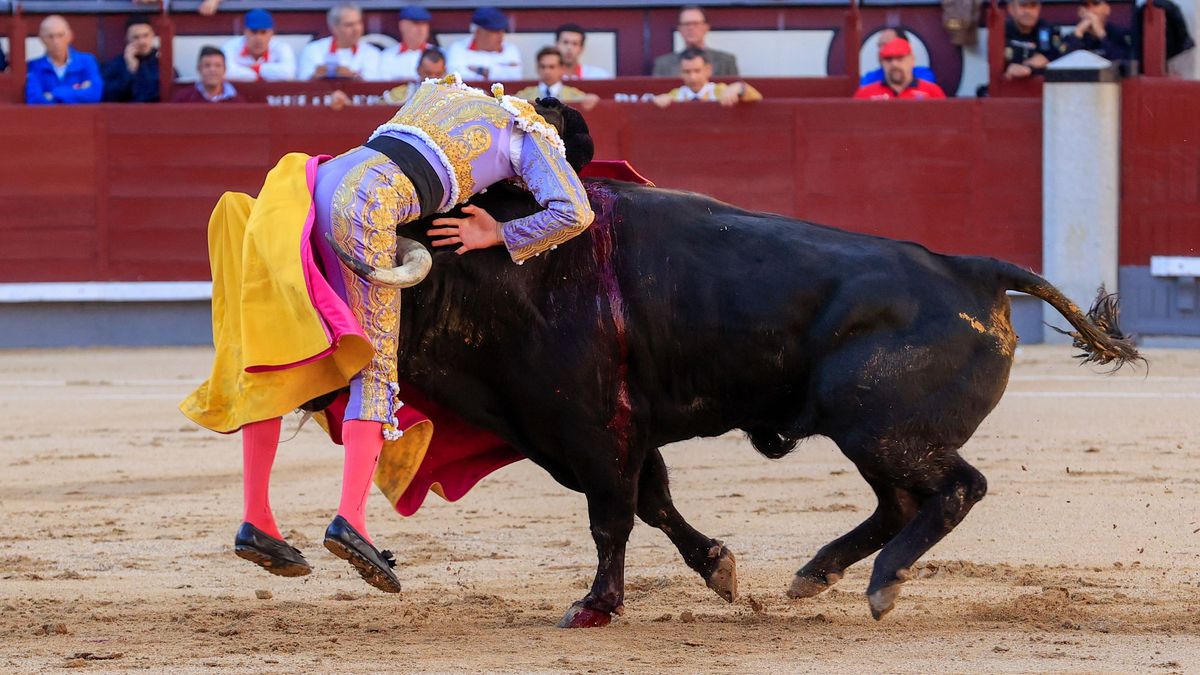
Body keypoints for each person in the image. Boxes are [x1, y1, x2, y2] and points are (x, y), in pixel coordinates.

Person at [180, 74, 594, 593]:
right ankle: (351, 519)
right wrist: (498, 231)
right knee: (376, 370)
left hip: (314, 189)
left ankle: (257, 519)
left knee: (278, 349)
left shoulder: (448, 90)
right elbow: (573, 211)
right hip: (367, 207)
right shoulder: (533, 134)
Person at [25, 15, 102, 105]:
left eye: (60, 35)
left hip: (81, 118)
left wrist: (53, 94)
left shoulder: (87, 61)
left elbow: (94, 94)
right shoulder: (34, 66)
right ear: (41, 39)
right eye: (50, 36)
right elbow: (35, 100)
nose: (56, 42)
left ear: (70, 36)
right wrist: (75, 90)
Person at [297, 2, 382, 81]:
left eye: (359, 23)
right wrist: (316, 77)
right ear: (334, 27)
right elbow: (302, 83)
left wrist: (353, 77)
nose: (356, 29)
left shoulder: (372, 53)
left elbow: (374, 85)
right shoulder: (313, 50)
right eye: (349, 25)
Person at [652, 48, 760, 108]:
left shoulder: (720, 90)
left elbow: (757, 98)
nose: (692, 77)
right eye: (687, 72)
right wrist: (660, 101)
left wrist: (739, 87)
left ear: (708, 70)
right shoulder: (675, 95)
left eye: (697, 71)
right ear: (680, 72)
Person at [652, 6, 738, 77]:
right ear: (679, 29)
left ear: (706, 27)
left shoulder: (726, 61)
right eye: (686, 24)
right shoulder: (663, 64)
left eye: (696, 24)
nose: (691, 28)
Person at [445, 7, 523, 81]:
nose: (501, 36)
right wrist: (498, 72)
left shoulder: (510, 49)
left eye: (502, 31)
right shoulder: (458, 49)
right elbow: (458, 79)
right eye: (495, 31)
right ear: (478, 32)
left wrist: (480, 71)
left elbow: (515, 76)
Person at [853, 38, 946, 99]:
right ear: (882, 63)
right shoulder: (865, 94)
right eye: (888, 59)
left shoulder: (932, 92)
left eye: (900, 58)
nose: (894, 64)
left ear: (912, 60)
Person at [222, 9, 297, 82]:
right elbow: (225, 72)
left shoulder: (282, 47)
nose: (258, 38)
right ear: (245, 32)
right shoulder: (231, 46)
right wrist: (260, 74)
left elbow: (288, 73)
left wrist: (256, 69)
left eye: (263, 32)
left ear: (271, 33)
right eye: (253, 32)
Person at [102, 15, 164, 102]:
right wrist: (130, 71)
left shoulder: (163, 65)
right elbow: (109, 96)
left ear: (153, 36)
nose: (142, 42)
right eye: (136, 37)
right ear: (127, 39)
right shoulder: (114, 66)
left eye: (146, 35)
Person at [516, 47, 600, 110]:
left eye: (552, 67)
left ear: (562, 69)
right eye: (543, 66)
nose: (547, 71)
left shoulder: (574, 96)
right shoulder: (524, 96)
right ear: (537, 68)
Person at [1004, 0, 1067, 80]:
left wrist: (1031, 68)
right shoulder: (1002, 31)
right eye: (1023, 6)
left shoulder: (1047, 30)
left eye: (1033, 6)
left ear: (1039, 8)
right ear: (1011, 9)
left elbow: (1059, 58)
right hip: (1009, 87)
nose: (1028, 11)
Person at [860, 27, 937, 85]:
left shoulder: (924, 76)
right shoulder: (869, 79)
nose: (881, 50)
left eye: (886, 44)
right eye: (879, 46)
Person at [379, 6, 437, 81]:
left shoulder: (439, 54)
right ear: (402, 25)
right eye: (416, 23)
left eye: (424, 24)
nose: (421, 29)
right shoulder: (387, 56)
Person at [172, 46, 245, 103]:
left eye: (218, 65)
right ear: (199, 69)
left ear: (224, 69)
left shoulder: (236, 101)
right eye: (207, 65)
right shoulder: (183, 99)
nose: (212, 70)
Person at [1065, 0, 1133, 61]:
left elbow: (1123, 61)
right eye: (1085, 5)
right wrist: (1077, 35)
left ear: (1107, 9)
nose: (1090, 9)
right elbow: (1061, 64)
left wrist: (1101, 35)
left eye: (1095, 4)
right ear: (1079, 11)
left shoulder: (1118, 34)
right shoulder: (1072, 37)